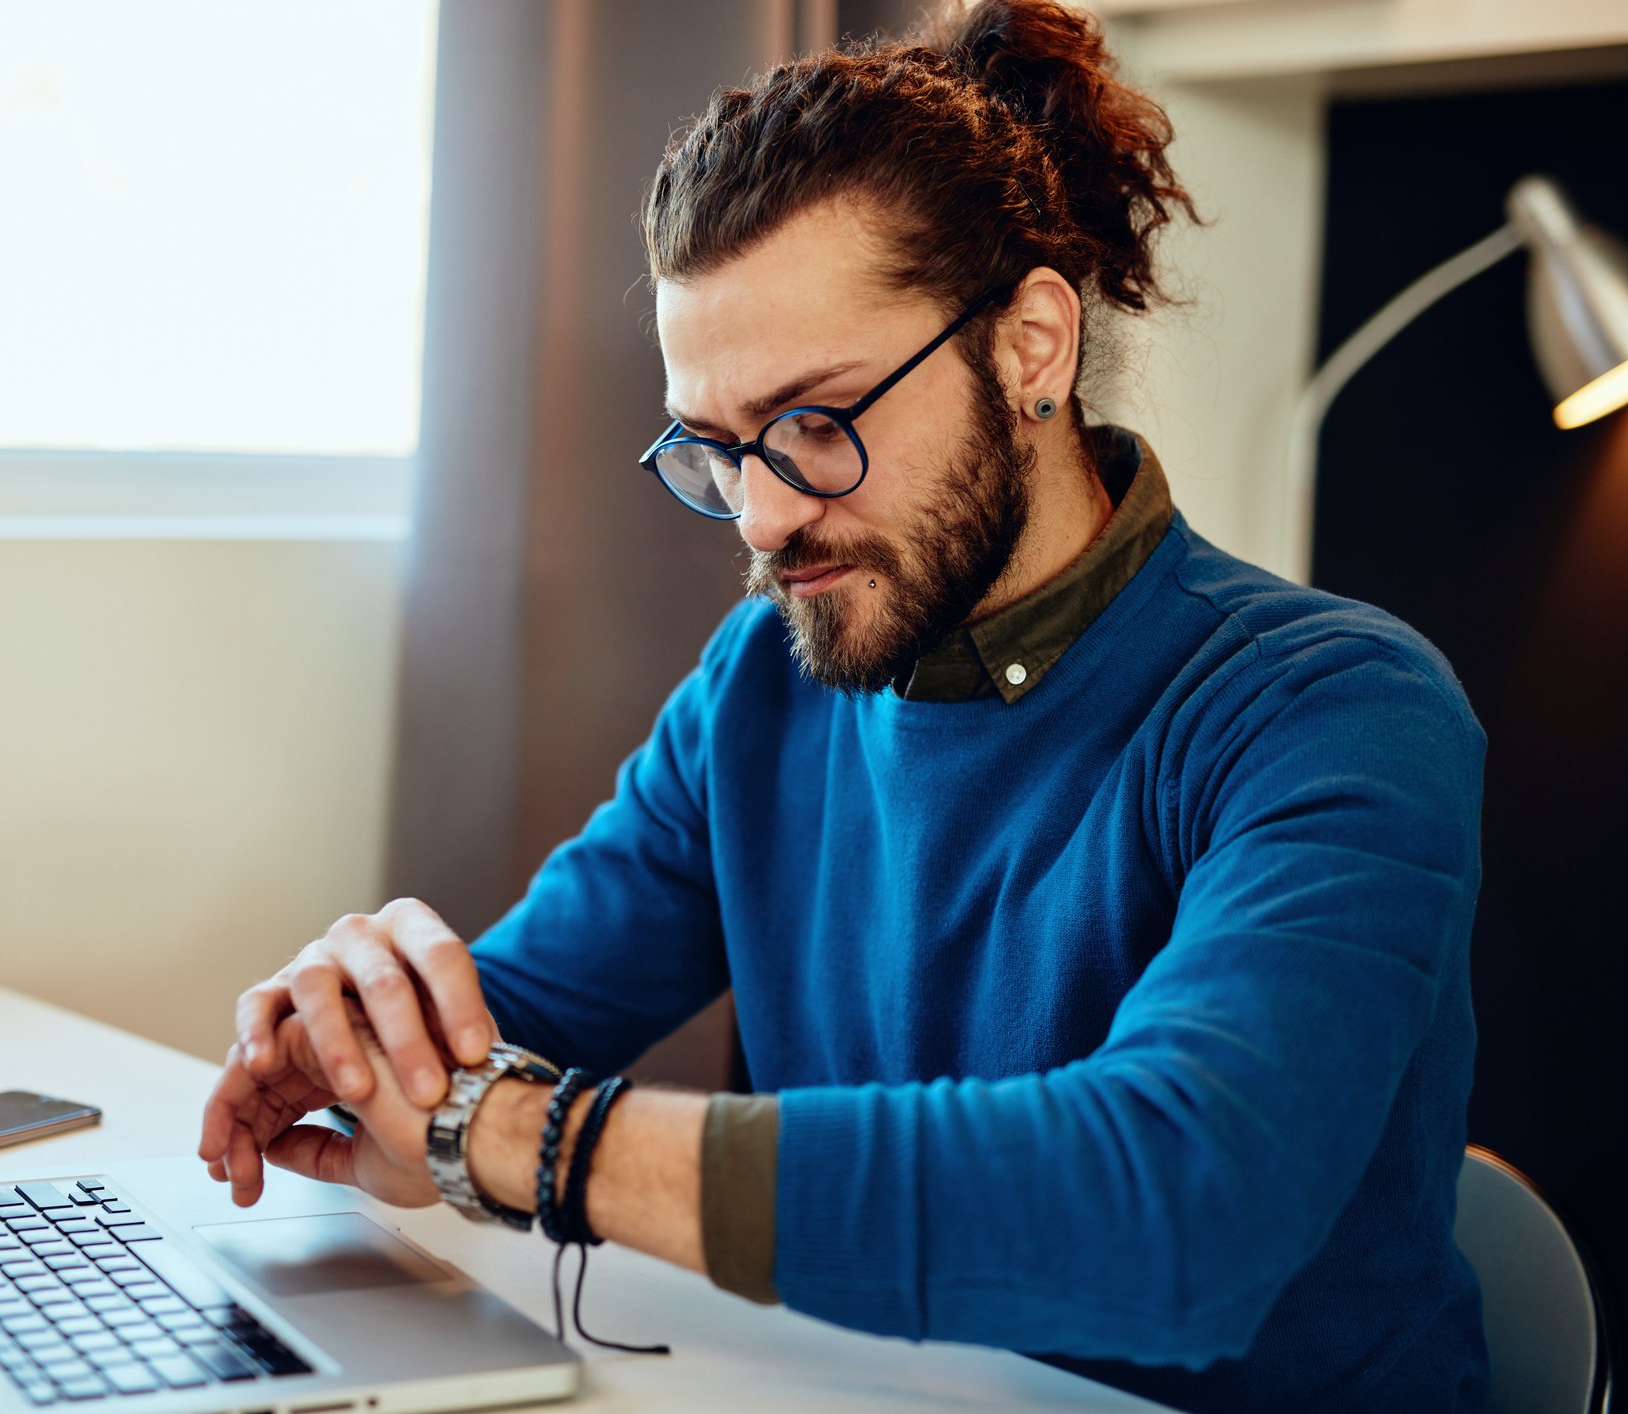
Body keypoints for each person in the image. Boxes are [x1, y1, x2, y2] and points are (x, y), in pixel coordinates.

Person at [198, 3, 1489, 1409]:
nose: (762, 517)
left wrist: (526, 1140)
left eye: (817, 422)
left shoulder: (1332, 711)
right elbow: (522, 1013)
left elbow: (1182, 1204)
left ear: (1031, 347)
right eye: (716, 446)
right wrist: (365, 1034)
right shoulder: (761, 683)